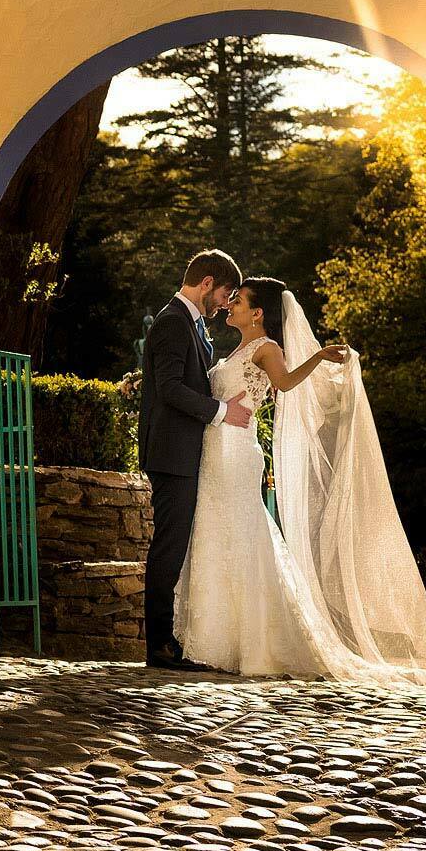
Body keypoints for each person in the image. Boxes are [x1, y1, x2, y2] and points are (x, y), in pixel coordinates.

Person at [172, 276, 426, 681]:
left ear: (258, 312)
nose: (230, 305)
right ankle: (218, 640)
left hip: (235, 452)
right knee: (217, 533)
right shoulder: (238, 349)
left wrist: (317, 358)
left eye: (238, 301)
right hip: (217, 451)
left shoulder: (267, 349)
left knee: (242, 535)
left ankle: (255, 642)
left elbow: (283, 384)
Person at [138, 249, 252, 670]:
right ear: (206, 283)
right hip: (170, 454)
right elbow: (169, 388)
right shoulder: (172, 322)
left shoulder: (189, 323)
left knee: (178, 545)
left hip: (183, 453)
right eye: (224, 294)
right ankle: (159, 648)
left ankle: (169, 643)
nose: (225, 303)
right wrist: (222, 412)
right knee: (169, 546)